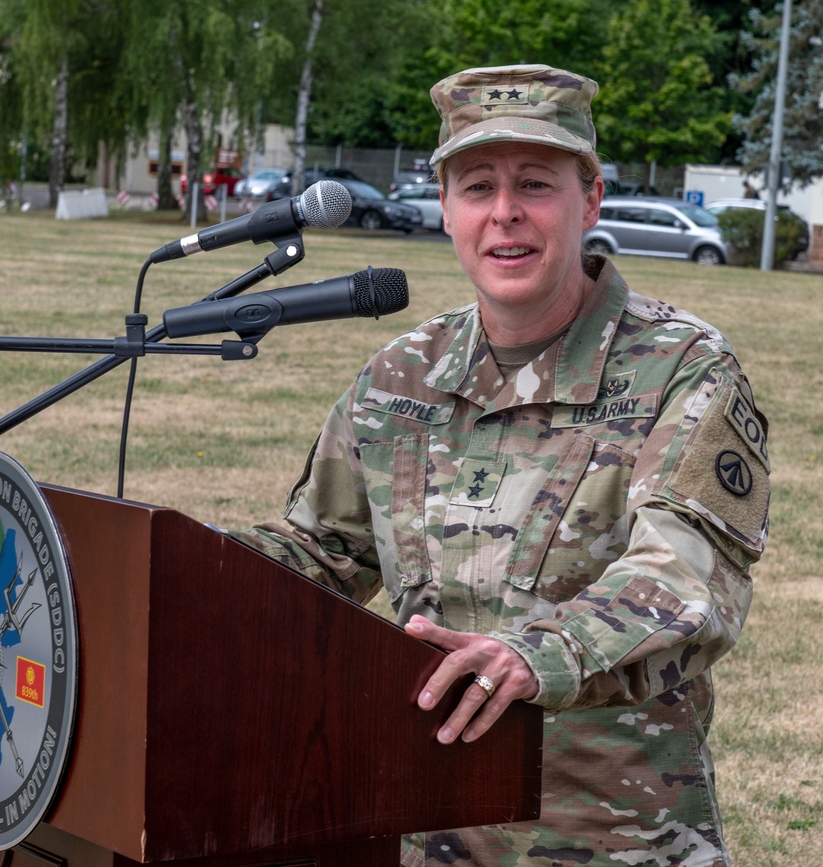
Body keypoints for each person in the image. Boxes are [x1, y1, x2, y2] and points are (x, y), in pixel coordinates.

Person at [229, 64, 769, 867]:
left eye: (536, 183)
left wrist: (535, 653)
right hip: (424, 829)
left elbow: (687, 579)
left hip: (614, 841)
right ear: (445, 208)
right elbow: (322, 553)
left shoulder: (684, 368)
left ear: (589, 199)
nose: (505, 212)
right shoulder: (400, 376)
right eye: (477, 185)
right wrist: (171, 561)